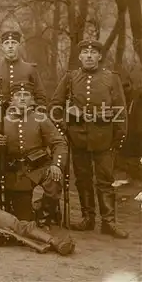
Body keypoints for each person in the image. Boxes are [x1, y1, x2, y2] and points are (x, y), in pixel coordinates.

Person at [49, 39, 128, 238]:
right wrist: (64, 129)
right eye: (85, 52)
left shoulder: (111, 78)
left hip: (104, 138)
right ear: (80, 56)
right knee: (83, 180)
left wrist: (118, 138)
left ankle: (108, 222)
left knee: (105, 180)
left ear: (100, 56)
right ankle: (88, 219)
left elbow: (120, 110)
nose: (90, 56)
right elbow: (55, 107)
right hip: (78, 139)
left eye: (93, 53)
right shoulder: (70, 78)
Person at [0, 81, 67, 226]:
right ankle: (33, 213)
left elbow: (59, 143)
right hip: (18, 171)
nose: (22, 98)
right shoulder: (3, 121)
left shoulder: (41, 119)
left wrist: (56, 165)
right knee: (24, 218)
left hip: (39, 166)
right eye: (18, 95)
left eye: (26, 95)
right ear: (11, 100)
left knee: (54, 180)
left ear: (32, 99)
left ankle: (45, 213)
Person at [0, 30, 47, 120]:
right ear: (2, 47)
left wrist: (36, 115)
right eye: (7, 43)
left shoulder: (30, 69)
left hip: (25, 117)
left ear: (19, 46)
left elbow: (41, 96)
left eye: (13, 43)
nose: (10, 46)